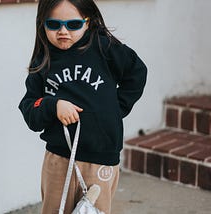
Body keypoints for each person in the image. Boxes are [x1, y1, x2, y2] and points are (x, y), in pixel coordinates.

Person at [18, 0, 147, 213]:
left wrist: (116, 109)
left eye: (73, 25)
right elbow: (30, 108)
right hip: (60, 159)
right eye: (53, 24)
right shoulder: (43, 61)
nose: (63, 31)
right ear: (43, 24)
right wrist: (53, 105)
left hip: (101, 158)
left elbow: (137, 72)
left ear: (88, 21)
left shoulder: (103, 47)